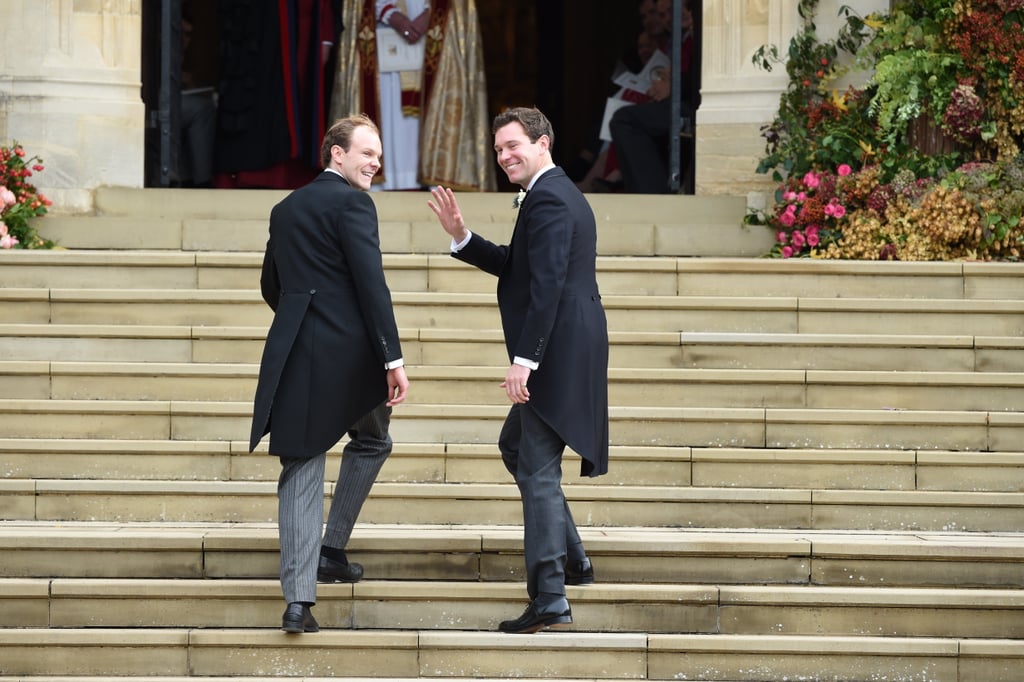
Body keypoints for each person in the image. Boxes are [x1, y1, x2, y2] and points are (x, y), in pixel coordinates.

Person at [427, 107, 610, 634]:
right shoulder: (551, 194)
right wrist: (463, 237)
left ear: (543, 143)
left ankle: (550, 595)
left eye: (513, 146)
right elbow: (521, 265)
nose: (505, 156)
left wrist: (524, 361)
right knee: (518, 450)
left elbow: (548, 283)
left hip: (557, 350)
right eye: (499, 149)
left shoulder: (550, 197)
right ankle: (573, 560)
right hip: (567, 342)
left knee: (535, 467)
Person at [248, 114, 410, 634]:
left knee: (301, 463)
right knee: (372, 439)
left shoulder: (285, 206)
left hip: (297, 349)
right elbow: (371, 284)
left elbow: (271, 285)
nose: (375, 163)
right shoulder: (354, 203)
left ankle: (299, 600)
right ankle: (331, 545)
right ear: (336, 154)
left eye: (379, 155)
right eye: (367, 153)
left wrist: (306, 316)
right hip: (354, 358)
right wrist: (393, 358)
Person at [330, 0, 495, 191]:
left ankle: (436, 181)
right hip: (381, 32)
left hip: (437, 30)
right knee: (383, 103)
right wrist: (389, 13)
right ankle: (379, 181)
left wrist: (430, 16)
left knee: (437, 103)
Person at [609, 0, 697, 194]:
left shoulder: (701, 33)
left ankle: (654, 195)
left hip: (695, 105)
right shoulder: (680, 38)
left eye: (680, 8)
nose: (676, 15)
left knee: (625, 119)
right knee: (623, 115)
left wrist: (674, 85)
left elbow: (702, 77)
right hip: (680, 100)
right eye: (665, 14)